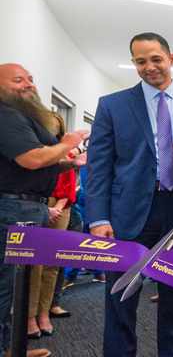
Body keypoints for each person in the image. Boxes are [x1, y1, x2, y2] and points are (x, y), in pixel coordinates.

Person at [85, 33, 173, 357]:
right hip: (125, 215)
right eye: (140, 61)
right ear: (133, 63)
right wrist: (98, 218)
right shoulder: (112, 105)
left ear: (171, 59)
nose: (149, 67)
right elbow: (99, 167)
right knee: (120, 302)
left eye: (156, 59)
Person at [0, 63, 89, 357]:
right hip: (14, 208)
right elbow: (32, 160)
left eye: (30, 78)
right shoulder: (6, 115)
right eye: (18, 80)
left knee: (16, 285)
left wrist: (68, 163)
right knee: (6, 285)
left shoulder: (24, 117)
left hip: (28, 206)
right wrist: (66, 144)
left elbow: (40, 163)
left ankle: (12, 348)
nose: (28, 84)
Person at [27, 112, 76, 339]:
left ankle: (44, 313)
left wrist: (58, 207)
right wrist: (48, 208)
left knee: (52, 263)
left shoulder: (62, 150)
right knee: (33, 264)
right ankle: (29, 316)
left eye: (57, 129)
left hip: (62, 206)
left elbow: (69, 183)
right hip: (39, 203)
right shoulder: (33, 150)